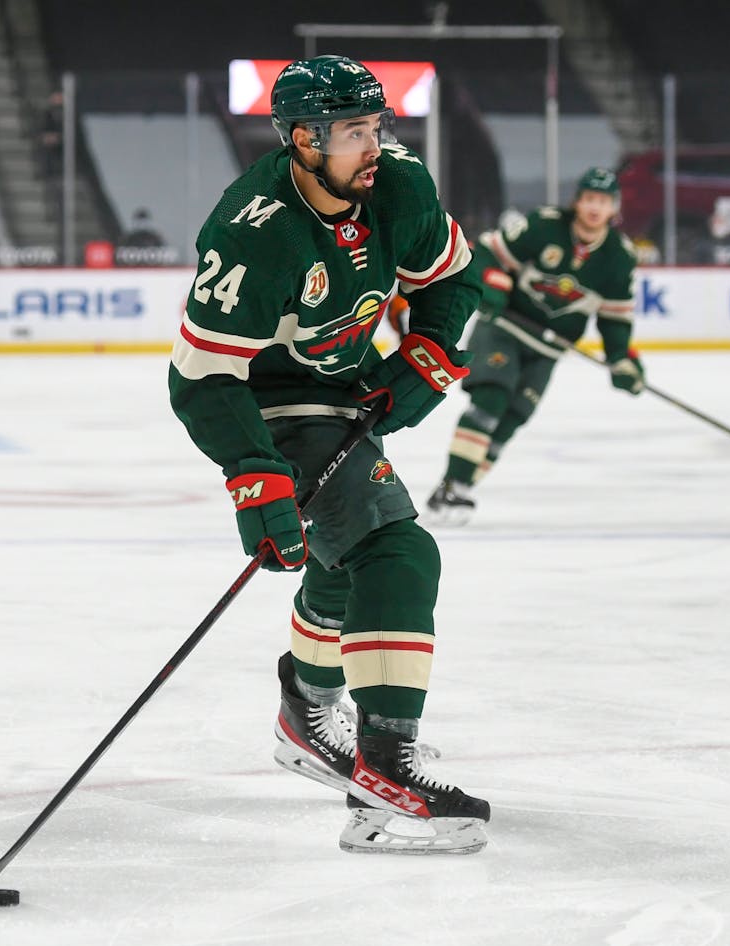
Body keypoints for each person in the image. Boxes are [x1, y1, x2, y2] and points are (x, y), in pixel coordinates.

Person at [168, 55, 491, 854]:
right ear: (303, 140)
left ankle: (307, 712)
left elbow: (451, 280)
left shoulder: (401, 187)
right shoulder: (257, 229)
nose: (372, 145)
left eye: (375, 126)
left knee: (343, 557)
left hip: (343, 387)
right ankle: (384, 773)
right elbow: (204, 376)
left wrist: (427, 354)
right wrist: (255, 475)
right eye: (352, 132)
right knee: (395, 553)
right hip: (271, 398)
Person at [426, 167, 643, 524]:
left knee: (512, 418)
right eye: (589, 198)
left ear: (613, 209)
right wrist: (491, 281)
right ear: (577, 202)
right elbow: (486, 253)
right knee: (491, 399)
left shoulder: (619, 258)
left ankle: (458, 488)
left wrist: (622, 359)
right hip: (505, 329)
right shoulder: (544, 225)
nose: (594, 207)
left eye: (602, 202)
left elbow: (614, 318)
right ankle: (454, 485)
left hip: (549, 350)